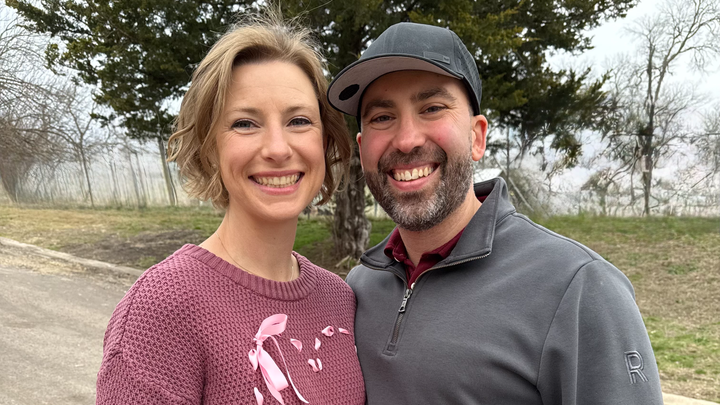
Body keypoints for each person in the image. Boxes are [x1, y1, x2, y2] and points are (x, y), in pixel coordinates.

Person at [327, 22, 664, 404]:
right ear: (362, 148)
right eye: (382, 118)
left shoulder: (578, 288)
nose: (406, 140)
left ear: (477, 137)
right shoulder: (359, 288)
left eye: (432, 108)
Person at [96, 14, 365, 405]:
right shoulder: (161, 310)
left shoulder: (339, 299)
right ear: (210, 147)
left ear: (324, 141)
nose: (277, 148)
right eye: (245, 123)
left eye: (298, 120)